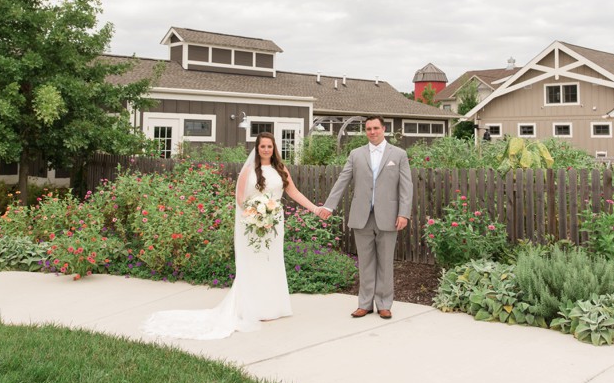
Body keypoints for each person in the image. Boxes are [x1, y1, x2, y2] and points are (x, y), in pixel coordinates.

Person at [142, 132, 322, 339]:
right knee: (253, 263)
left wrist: (315, 209)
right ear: (257, 148)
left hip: (274, 225)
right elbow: (239, 198)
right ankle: (252, 308)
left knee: (271, 261)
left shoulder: (281, 170)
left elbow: (294, 193)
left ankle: (272, 307)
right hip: (253, 224)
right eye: (262, 146)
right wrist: (255, 215)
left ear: (274, 149)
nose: (266, 150)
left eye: (269, 147)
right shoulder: (248, 171)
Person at [318, 116, 412, 319]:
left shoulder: (399, 154)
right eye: (368, 128)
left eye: (376, 128)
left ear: (383, 129)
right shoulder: (356, 154)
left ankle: (385, 304)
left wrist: (404, 213)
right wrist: (329, 206)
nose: (372, 132)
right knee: (366, 262)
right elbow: (342, 180)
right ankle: (365, 303)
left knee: (386, 263)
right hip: (361, 216)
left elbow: (406, 186)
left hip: (389, 216)